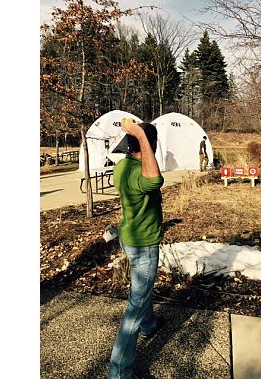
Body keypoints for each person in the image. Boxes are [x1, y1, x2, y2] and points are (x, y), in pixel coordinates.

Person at [108, 118, 166, 379]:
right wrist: (143, 136)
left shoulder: (122, 165)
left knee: (142, 291)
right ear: (150, 143)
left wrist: (138, 137)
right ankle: (119, 371)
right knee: (135, 307)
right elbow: (154, 180)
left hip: (129, 237)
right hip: (143, 245)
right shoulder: (138, 173)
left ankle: (150, 323)